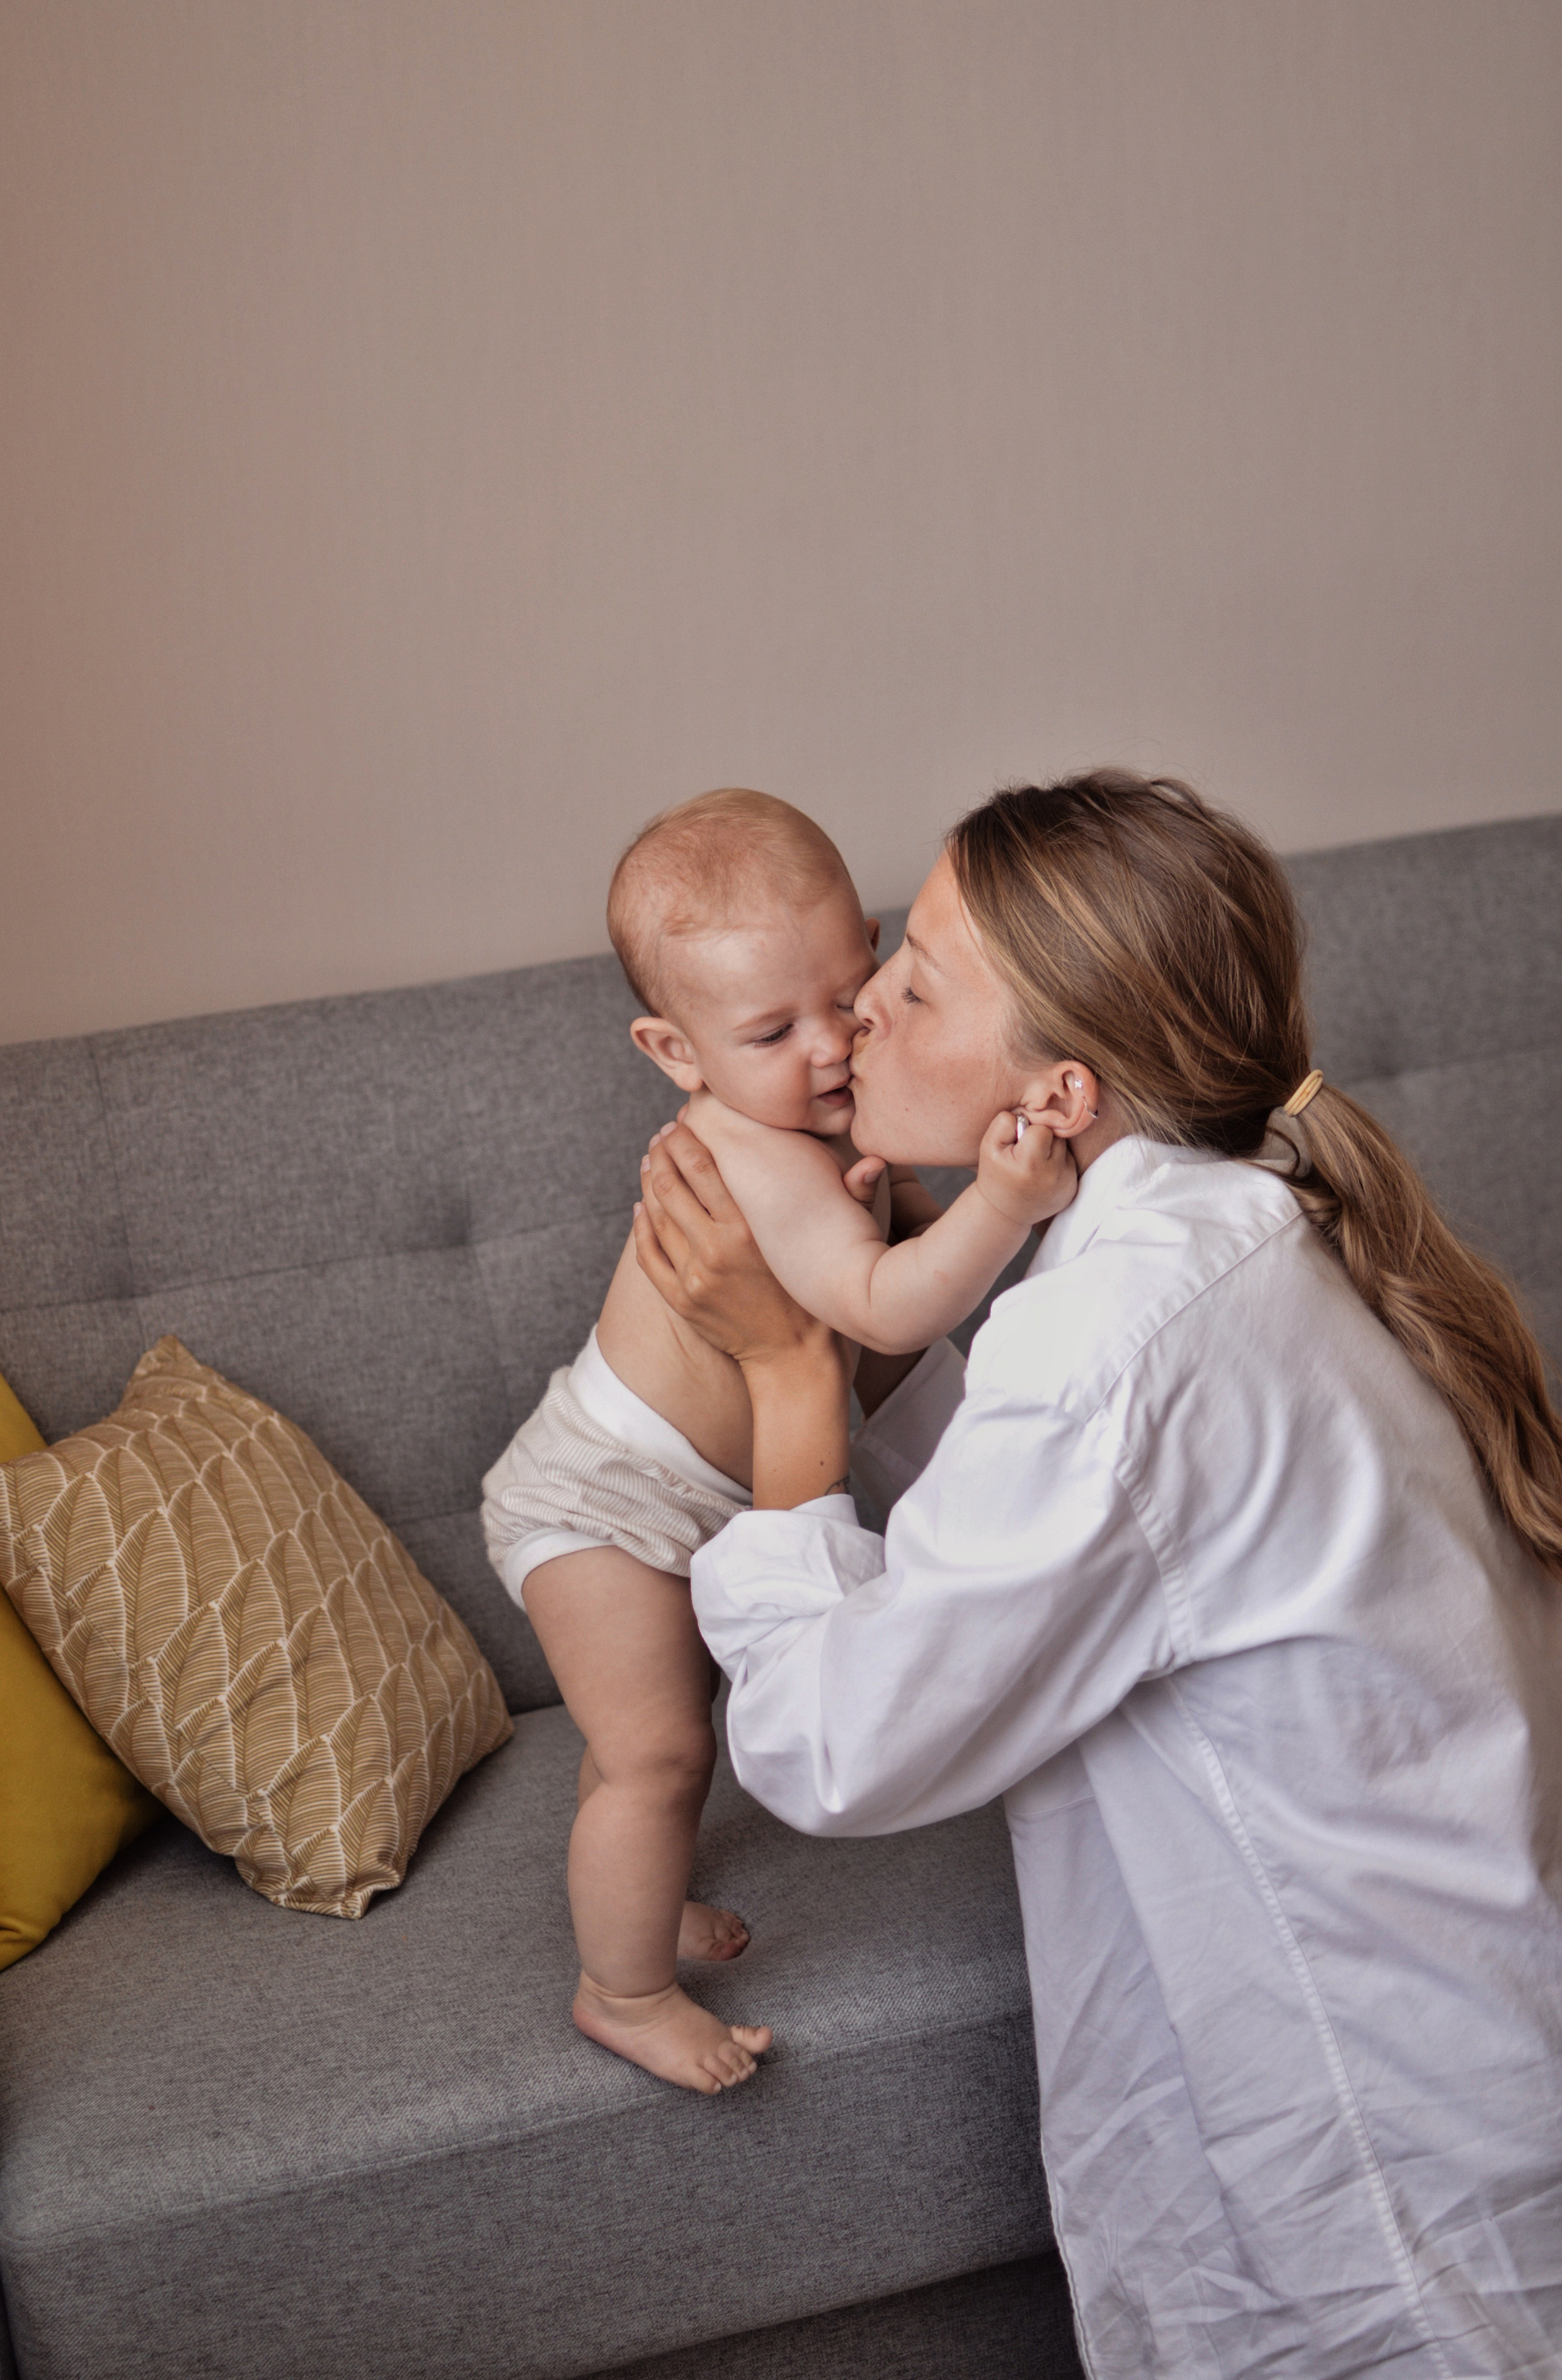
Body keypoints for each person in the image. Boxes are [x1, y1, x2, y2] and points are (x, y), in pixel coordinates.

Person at [631, 769, 1562, 2379]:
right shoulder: (1217, 1216)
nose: (857, 1010)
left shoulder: (1116, 1335)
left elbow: (836, 1745)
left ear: (1054, 1091)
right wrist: (880, 1270)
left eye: (910, 980)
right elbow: (993, 1518)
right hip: (1456, 2018)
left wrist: (785, 1370)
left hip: (1364, 2129)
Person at [481, 789, 1071, 2094]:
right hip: (602, 1502)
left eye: (844, 997)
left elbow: (878, 1296)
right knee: (659, 1748)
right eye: (766, 1029)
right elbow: (877, 1304)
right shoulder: (756, 1157)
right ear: (671, 1047)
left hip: (683, 1497)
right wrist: (1006, 1205)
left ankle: (644, 1898)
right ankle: (622, 1988)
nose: (824, 1049)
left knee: (651, 1736)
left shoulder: (815, 1127)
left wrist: (921, 1191)